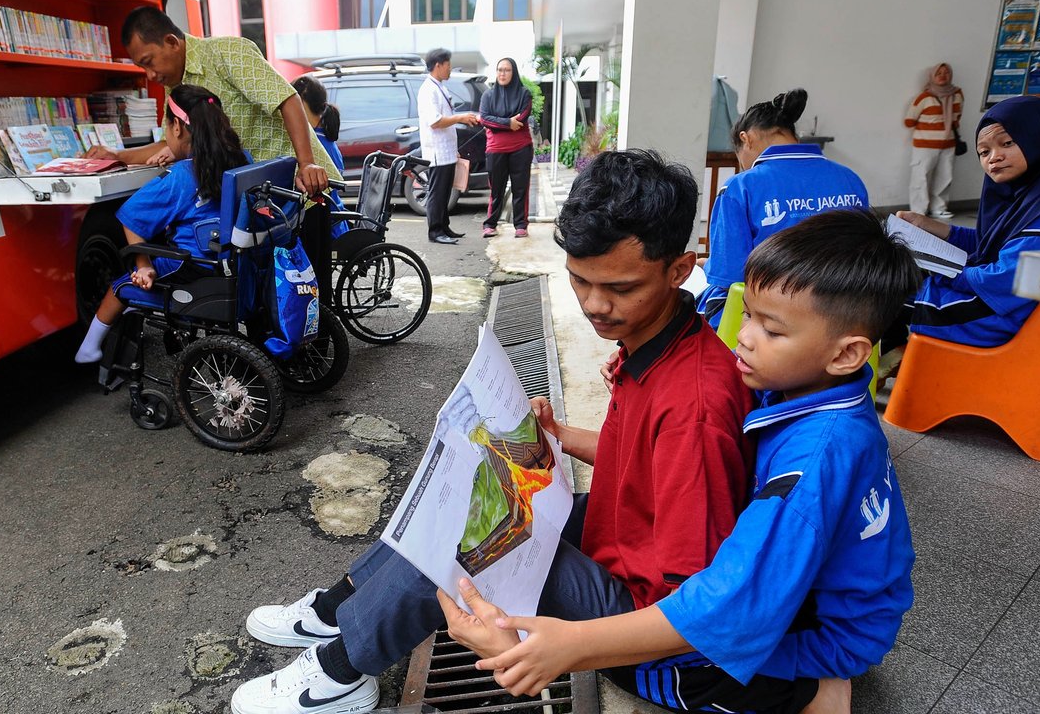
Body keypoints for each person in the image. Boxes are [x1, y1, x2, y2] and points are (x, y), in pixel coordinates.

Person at [227, 149, 754, 714]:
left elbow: (696, 606)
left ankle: (340, 670)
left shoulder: (694, 403)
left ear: (679, 269)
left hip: (639, 623)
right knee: (460, 485)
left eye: (620, 288)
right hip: (620, 538)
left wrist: (566, 648)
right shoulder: (658, 341)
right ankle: (336, 610)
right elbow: (646, 464)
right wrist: (557, 435)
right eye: (579, 280)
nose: (595, 306)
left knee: (469, 532)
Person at [445, 208, 921, 714]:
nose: (745, 336)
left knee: (663, 666)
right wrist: (565, 434)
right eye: (750, 315)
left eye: (773, 331)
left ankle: (810, 691)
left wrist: (570, 646)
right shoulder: (812, 392)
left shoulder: (816, 463)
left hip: (823, 633)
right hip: (822, 594)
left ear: (847, 354)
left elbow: (726, 605)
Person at [74, 85, 247, 363]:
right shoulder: (242, 160)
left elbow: (132, 218)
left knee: (120, 286)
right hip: (235, 263)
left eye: (166, 125)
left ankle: (88, 350)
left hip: (192, 268)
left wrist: (143, 265)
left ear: (177, 127)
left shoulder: (179, 177)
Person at [82, 7, 336, 195]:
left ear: (171, 42)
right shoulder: (175, 89)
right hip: (260, 200)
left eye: (149, 62)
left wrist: (307, 163)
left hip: (304, 187)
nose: (150, 75)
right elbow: (166, 144)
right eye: (141, 68)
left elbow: (286, 100)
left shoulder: (227, 52)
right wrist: (116, 156)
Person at [897, 95, 1040, 348]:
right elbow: (995, 243)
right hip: (1008, 303)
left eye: (1007, 142)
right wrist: (935, 228)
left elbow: (1002, 278)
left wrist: (943, 270)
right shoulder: (1038, 194)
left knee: (881, 294)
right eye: (984, 151)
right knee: (893, 282)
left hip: (1002, 318)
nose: (994, 157)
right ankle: (897, 358)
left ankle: (886, 368)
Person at [695, 89, 869, 328]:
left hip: (773, 319)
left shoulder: (741, 187)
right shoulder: (850, 179)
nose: (742, 165)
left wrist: (710, 265)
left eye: (739, 156)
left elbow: (729, 275)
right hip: (845, 313)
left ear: (746, 139)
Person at [418, 48, 480, 245]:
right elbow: (435, 122)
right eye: (448, 65)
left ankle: (444, 226)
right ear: (438, 65)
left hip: (446, 150)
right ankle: (435, 231)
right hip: (436, 151)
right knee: (437, 192)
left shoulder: (439, 87)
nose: (450, 69)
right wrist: (461, 117)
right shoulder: (428, 90)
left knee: (445, 191)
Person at [478, 57, 533, 239]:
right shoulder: (488, 95)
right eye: (499, 69)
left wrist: (498, 123)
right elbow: (484, 119)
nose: (502, 73)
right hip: (496, 149)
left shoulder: (524, 94)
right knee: (496, 189)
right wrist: (508, 123)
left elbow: (522, 117)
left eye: (507, 70)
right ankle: (490, 224)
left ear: (514, 72)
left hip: (521, 148)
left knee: (520, 188)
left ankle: (520, 225)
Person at [291, 75, 349, 239]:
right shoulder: (325, 139)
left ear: (300, 105)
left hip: (324, 227)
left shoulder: (313, 145)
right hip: (333, 221)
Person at [904, 63, 963, 219]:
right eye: (939, 73)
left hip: (948, 144)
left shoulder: (957, 94)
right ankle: (918, 211)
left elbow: (957, 118)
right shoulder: (924, 97)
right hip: (925, 145)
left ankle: (939, 208)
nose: (943, 76)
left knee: (945, 177)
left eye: (947, 73)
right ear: (932, 76)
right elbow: (909, 120)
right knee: (920, 177)